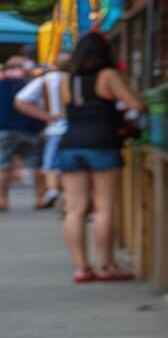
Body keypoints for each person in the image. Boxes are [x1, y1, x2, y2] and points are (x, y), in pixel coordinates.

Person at [15, 33, 142, 283]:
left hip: (69, 144)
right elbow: (134, 104)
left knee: (75, 209)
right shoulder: (108, 75)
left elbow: (62, 111)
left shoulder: (66, 80)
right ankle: (106, 265)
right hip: (103, 144)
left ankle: (81, 268)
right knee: (103, 207)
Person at [16, 52, 71, 207]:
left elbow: (20, 101)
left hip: (55, 128)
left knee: (52, 164)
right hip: (79, 128)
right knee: (71, 165)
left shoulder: (46, 80)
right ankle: (64, 196)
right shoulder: (77, 78)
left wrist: (48, 117)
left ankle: (54, 191)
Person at [0, 55, 47, 211]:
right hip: (31, 128)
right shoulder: (32, 82)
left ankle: (2, 200)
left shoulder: (2, 83)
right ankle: (40, 198)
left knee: (3, 166)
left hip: (5, 129)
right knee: (36, 165)